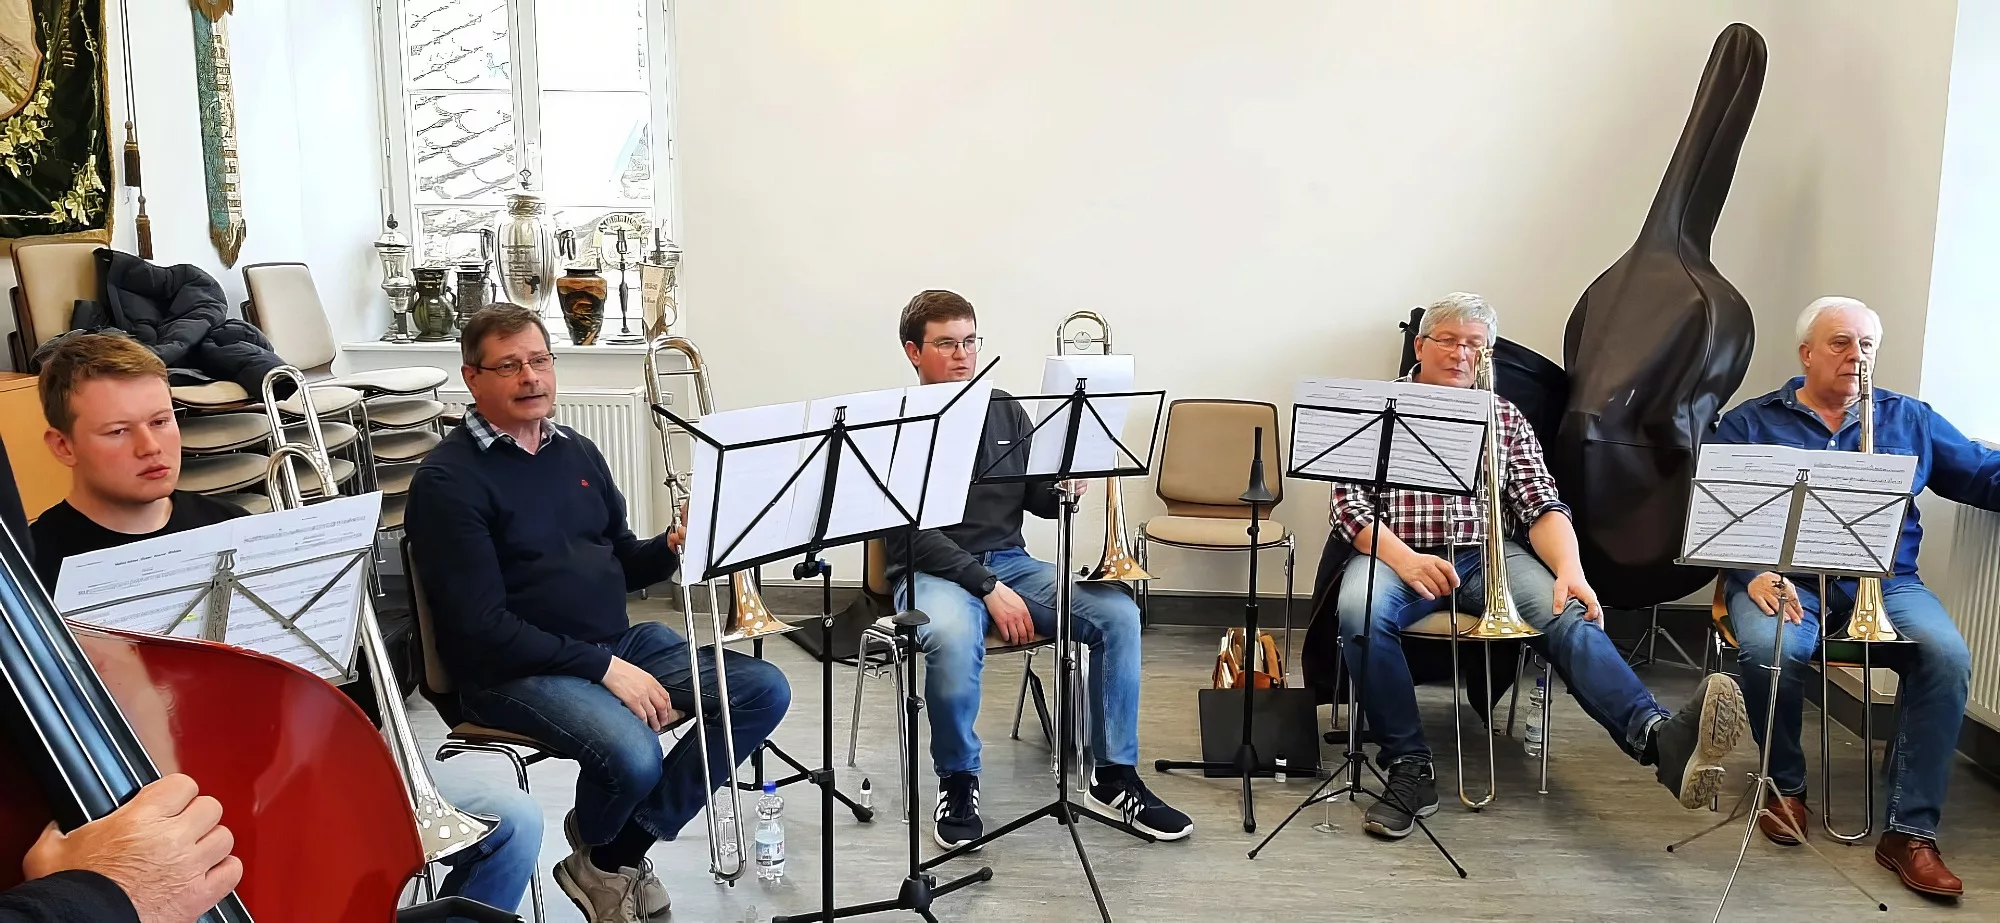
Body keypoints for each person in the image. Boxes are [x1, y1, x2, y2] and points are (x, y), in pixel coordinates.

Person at [22, 332, 543, 920]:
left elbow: (316, 684)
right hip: (153, 804)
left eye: (162, 421)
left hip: (277, 772)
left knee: (513, 821)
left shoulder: (232, 528)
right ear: (62, 446)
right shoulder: (33, 570)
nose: (151, 446)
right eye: (118, 432)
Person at [407, 304, 790, 923]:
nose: (531, 377)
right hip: (510, 673)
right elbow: (482, 629)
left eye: (539, 360)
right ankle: (608, 849)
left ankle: (610, 855)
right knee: (634, 754)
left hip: (608, 643)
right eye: (508, 366)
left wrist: (672, 546)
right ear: (472, 378)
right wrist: (605, 669)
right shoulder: (448, 481)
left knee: (759, 689)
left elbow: (623, 563)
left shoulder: (576, 452)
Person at [1332, 292, 1748, 839]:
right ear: (1420, 346)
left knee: (1567, 614)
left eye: (1475, 346)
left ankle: (1658, 739)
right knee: (1358, 613)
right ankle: (1409, 765)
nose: (1461, 354)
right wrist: (1406, 561)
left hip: (1488, 554)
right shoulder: (1375, 410)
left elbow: (1542, 505)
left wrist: (1571, 570)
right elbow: (1349, 507)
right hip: (1396, 552)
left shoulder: (1503, 416)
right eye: (1449, 341)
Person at [886, 290, 1193, 849]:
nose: (963, 355)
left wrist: (1065, 485)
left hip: (1010, 562)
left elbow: (1037, 499)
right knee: (952, 635)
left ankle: (1113, 776)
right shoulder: (895, 424)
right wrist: (988, 588)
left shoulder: (1005, 409)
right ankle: (958, 780)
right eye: (946, 344)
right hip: (932, 572)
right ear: (914, 352)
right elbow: (908, 538)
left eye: (970, 341)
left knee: (1118, 615)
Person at [1711, 296, 1994, 899]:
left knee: (1946, 656)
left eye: (1867, 345)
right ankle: (1784, 787)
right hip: (1784, 578)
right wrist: (1751, 570)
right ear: (1806, 353)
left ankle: (1910, 832)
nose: (1856, 356)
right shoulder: (1750, 423)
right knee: (1769, 648)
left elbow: (1980, 473)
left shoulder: (1909, 418)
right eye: (1840, 343)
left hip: (1888, 583)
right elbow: (1718, 513)